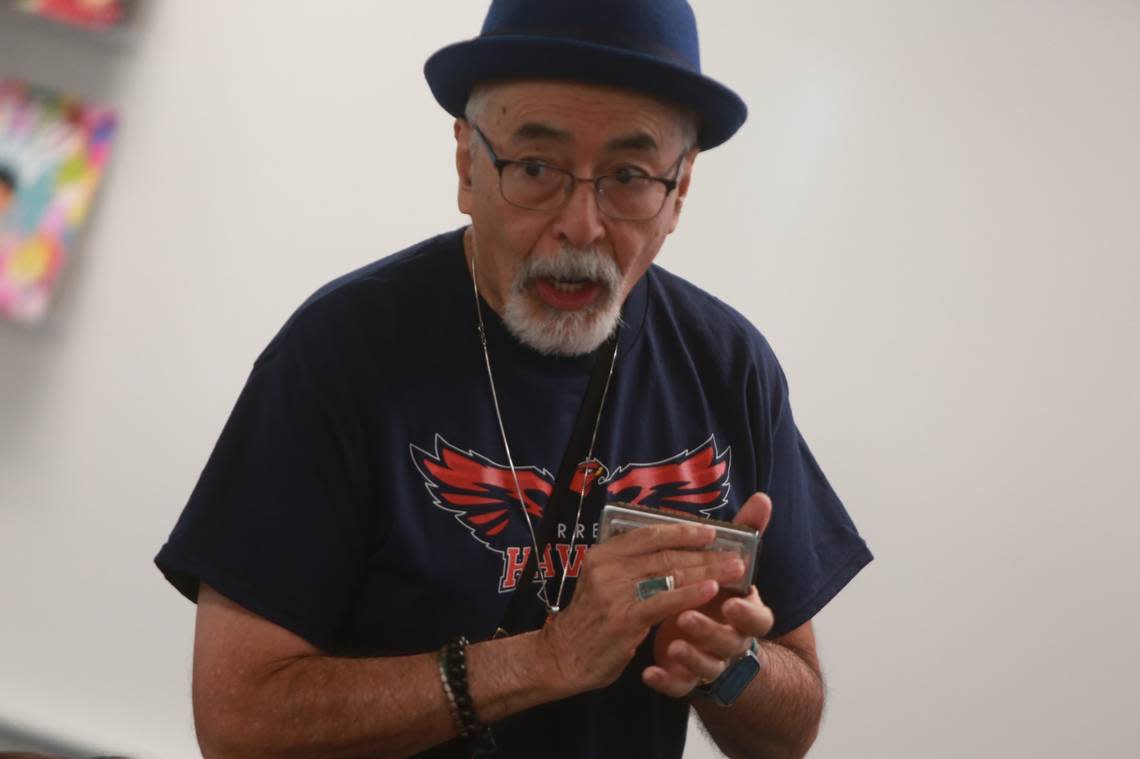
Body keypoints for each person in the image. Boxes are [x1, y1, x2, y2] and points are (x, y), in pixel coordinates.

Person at [155, 1, 873, 757]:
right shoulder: (338, 355)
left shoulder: (729, 368)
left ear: (680, 191)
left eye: (630, 177)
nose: (583, 225)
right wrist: (542, 661)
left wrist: (729, 665)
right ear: (467, 163)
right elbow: (240, 721)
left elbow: (790, 728)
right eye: (536, 168)